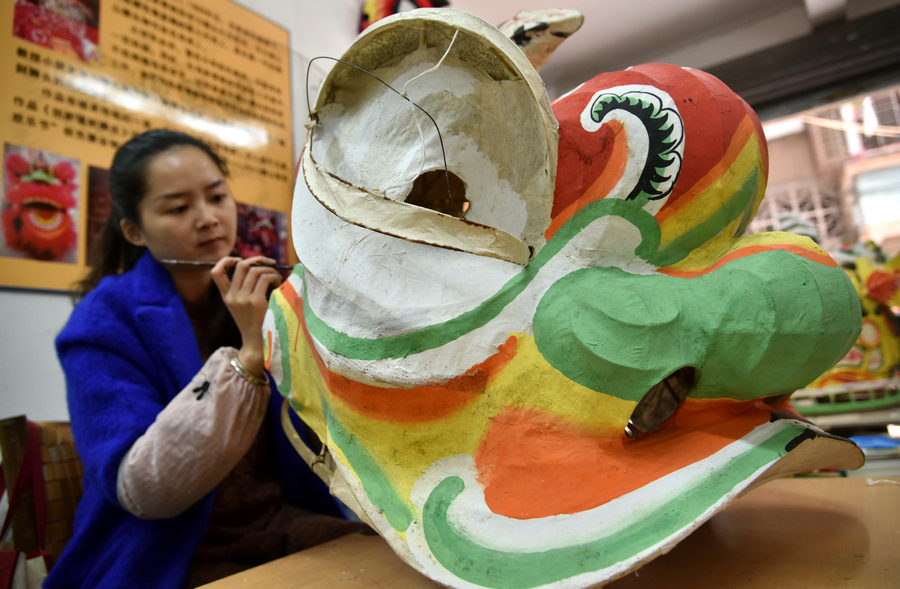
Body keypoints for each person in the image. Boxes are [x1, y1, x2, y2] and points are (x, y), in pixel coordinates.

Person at [48, 129, 364, 588]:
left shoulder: (269, 293)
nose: (208, 219)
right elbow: (144, 488)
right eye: (178, 208)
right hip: (166, 551)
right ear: (133, 231)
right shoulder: (102, 322)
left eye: (217, 197)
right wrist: (250, 354)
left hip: (276, 524)